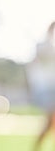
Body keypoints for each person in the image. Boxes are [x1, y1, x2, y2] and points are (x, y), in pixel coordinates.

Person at [26, 21, 55, 151]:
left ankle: (36, 148)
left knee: (51, 122)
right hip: (45, 89)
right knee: (51, 119)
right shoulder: (42, 46)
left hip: (52, 88)